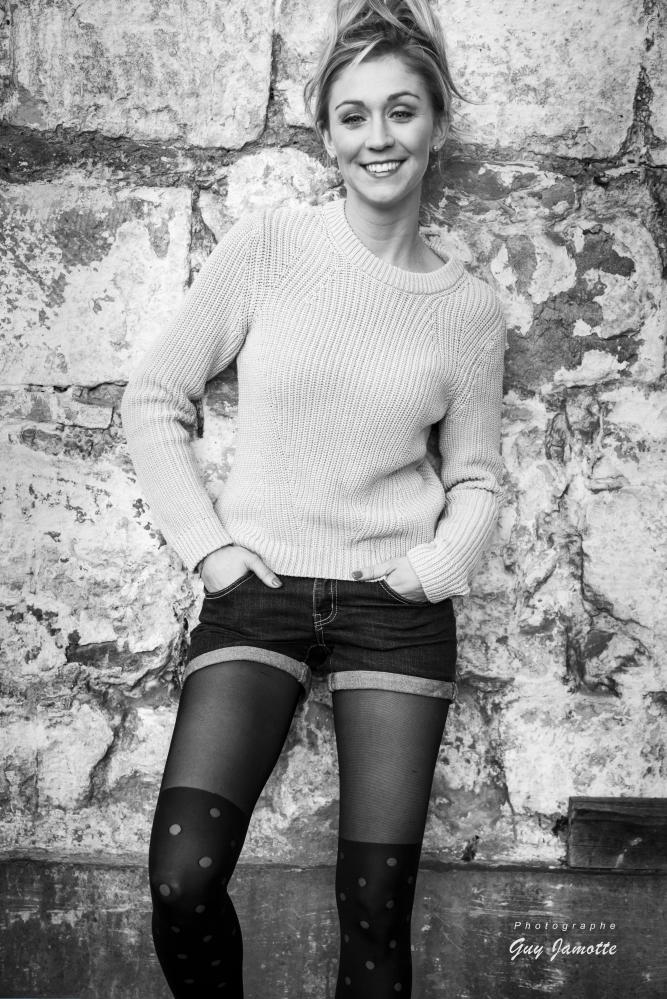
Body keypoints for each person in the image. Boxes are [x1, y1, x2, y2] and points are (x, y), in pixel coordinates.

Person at [120, 0, 506, 995]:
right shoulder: (270, 247)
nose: (378, 137)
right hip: (259, 593)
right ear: (327, 135)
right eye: (353, 115)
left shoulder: (468, 310)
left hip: (395, 612)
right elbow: (155, 396)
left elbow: (475, 477)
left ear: (436, 126)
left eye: (401, 111)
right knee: (181, 880)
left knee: (375, 916)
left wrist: (432, 567)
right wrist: (210, 548)